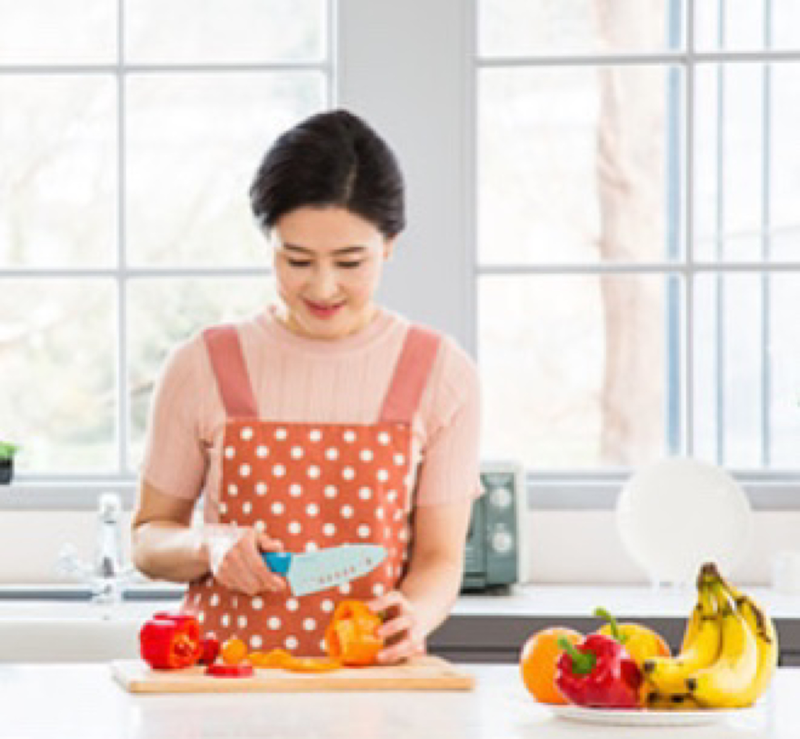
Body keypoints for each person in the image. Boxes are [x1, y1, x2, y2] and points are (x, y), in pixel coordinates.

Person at [131, 109, 482, 664]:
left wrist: (414, 615)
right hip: (224, 690)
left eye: (350, 261)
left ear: (389, 243)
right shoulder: (203, 364)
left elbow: (439, 557)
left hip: (370, 693)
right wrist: (210, 543)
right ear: (268, 241)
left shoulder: (440, 371)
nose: (323, 287)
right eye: (297, 260)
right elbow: (149, 540)